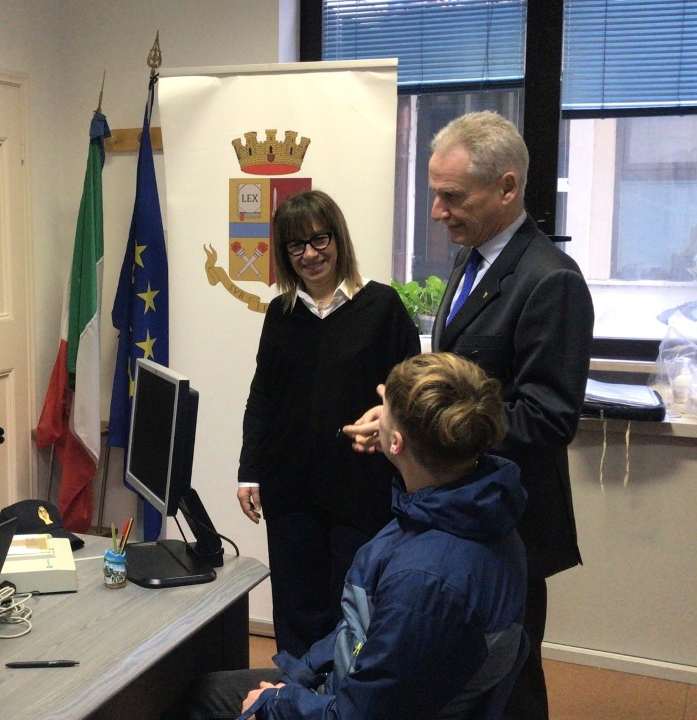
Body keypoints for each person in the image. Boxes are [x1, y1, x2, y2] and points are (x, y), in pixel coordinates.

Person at [345, 111, 594, 720]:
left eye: (452, 196)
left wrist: (423, 428)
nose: (437, 211)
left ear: (507, 188)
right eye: (435, 193)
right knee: (453, 680)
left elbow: (548, 417)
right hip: (458, 514)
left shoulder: (551, 281)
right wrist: (403, 419)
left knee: (509, 683)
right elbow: (459, 384)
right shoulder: (471, 257)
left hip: (509, 521)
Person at [176, 352, 527, 719]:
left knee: (198, 702)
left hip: (351, 706)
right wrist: (296, 678)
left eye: (384, 408)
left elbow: (360, 714)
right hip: (350, 687)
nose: (376, 413)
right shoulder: (463, 507)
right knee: (205, 691)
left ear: (396, 443)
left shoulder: (424, 582)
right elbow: (357, 631)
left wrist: (278, 705)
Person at [237, 189, 420, 658]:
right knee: (296, 608)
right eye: (296, 245)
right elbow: (262, 396)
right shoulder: (280, 314)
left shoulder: (382, 306)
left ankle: (345, 694)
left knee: (354, 610)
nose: (310, 254)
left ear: (338, 239)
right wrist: (249, 471)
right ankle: (294, 689)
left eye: (320, 239)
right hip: (289, 489)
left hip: (360, 488)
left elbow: (409, 396)